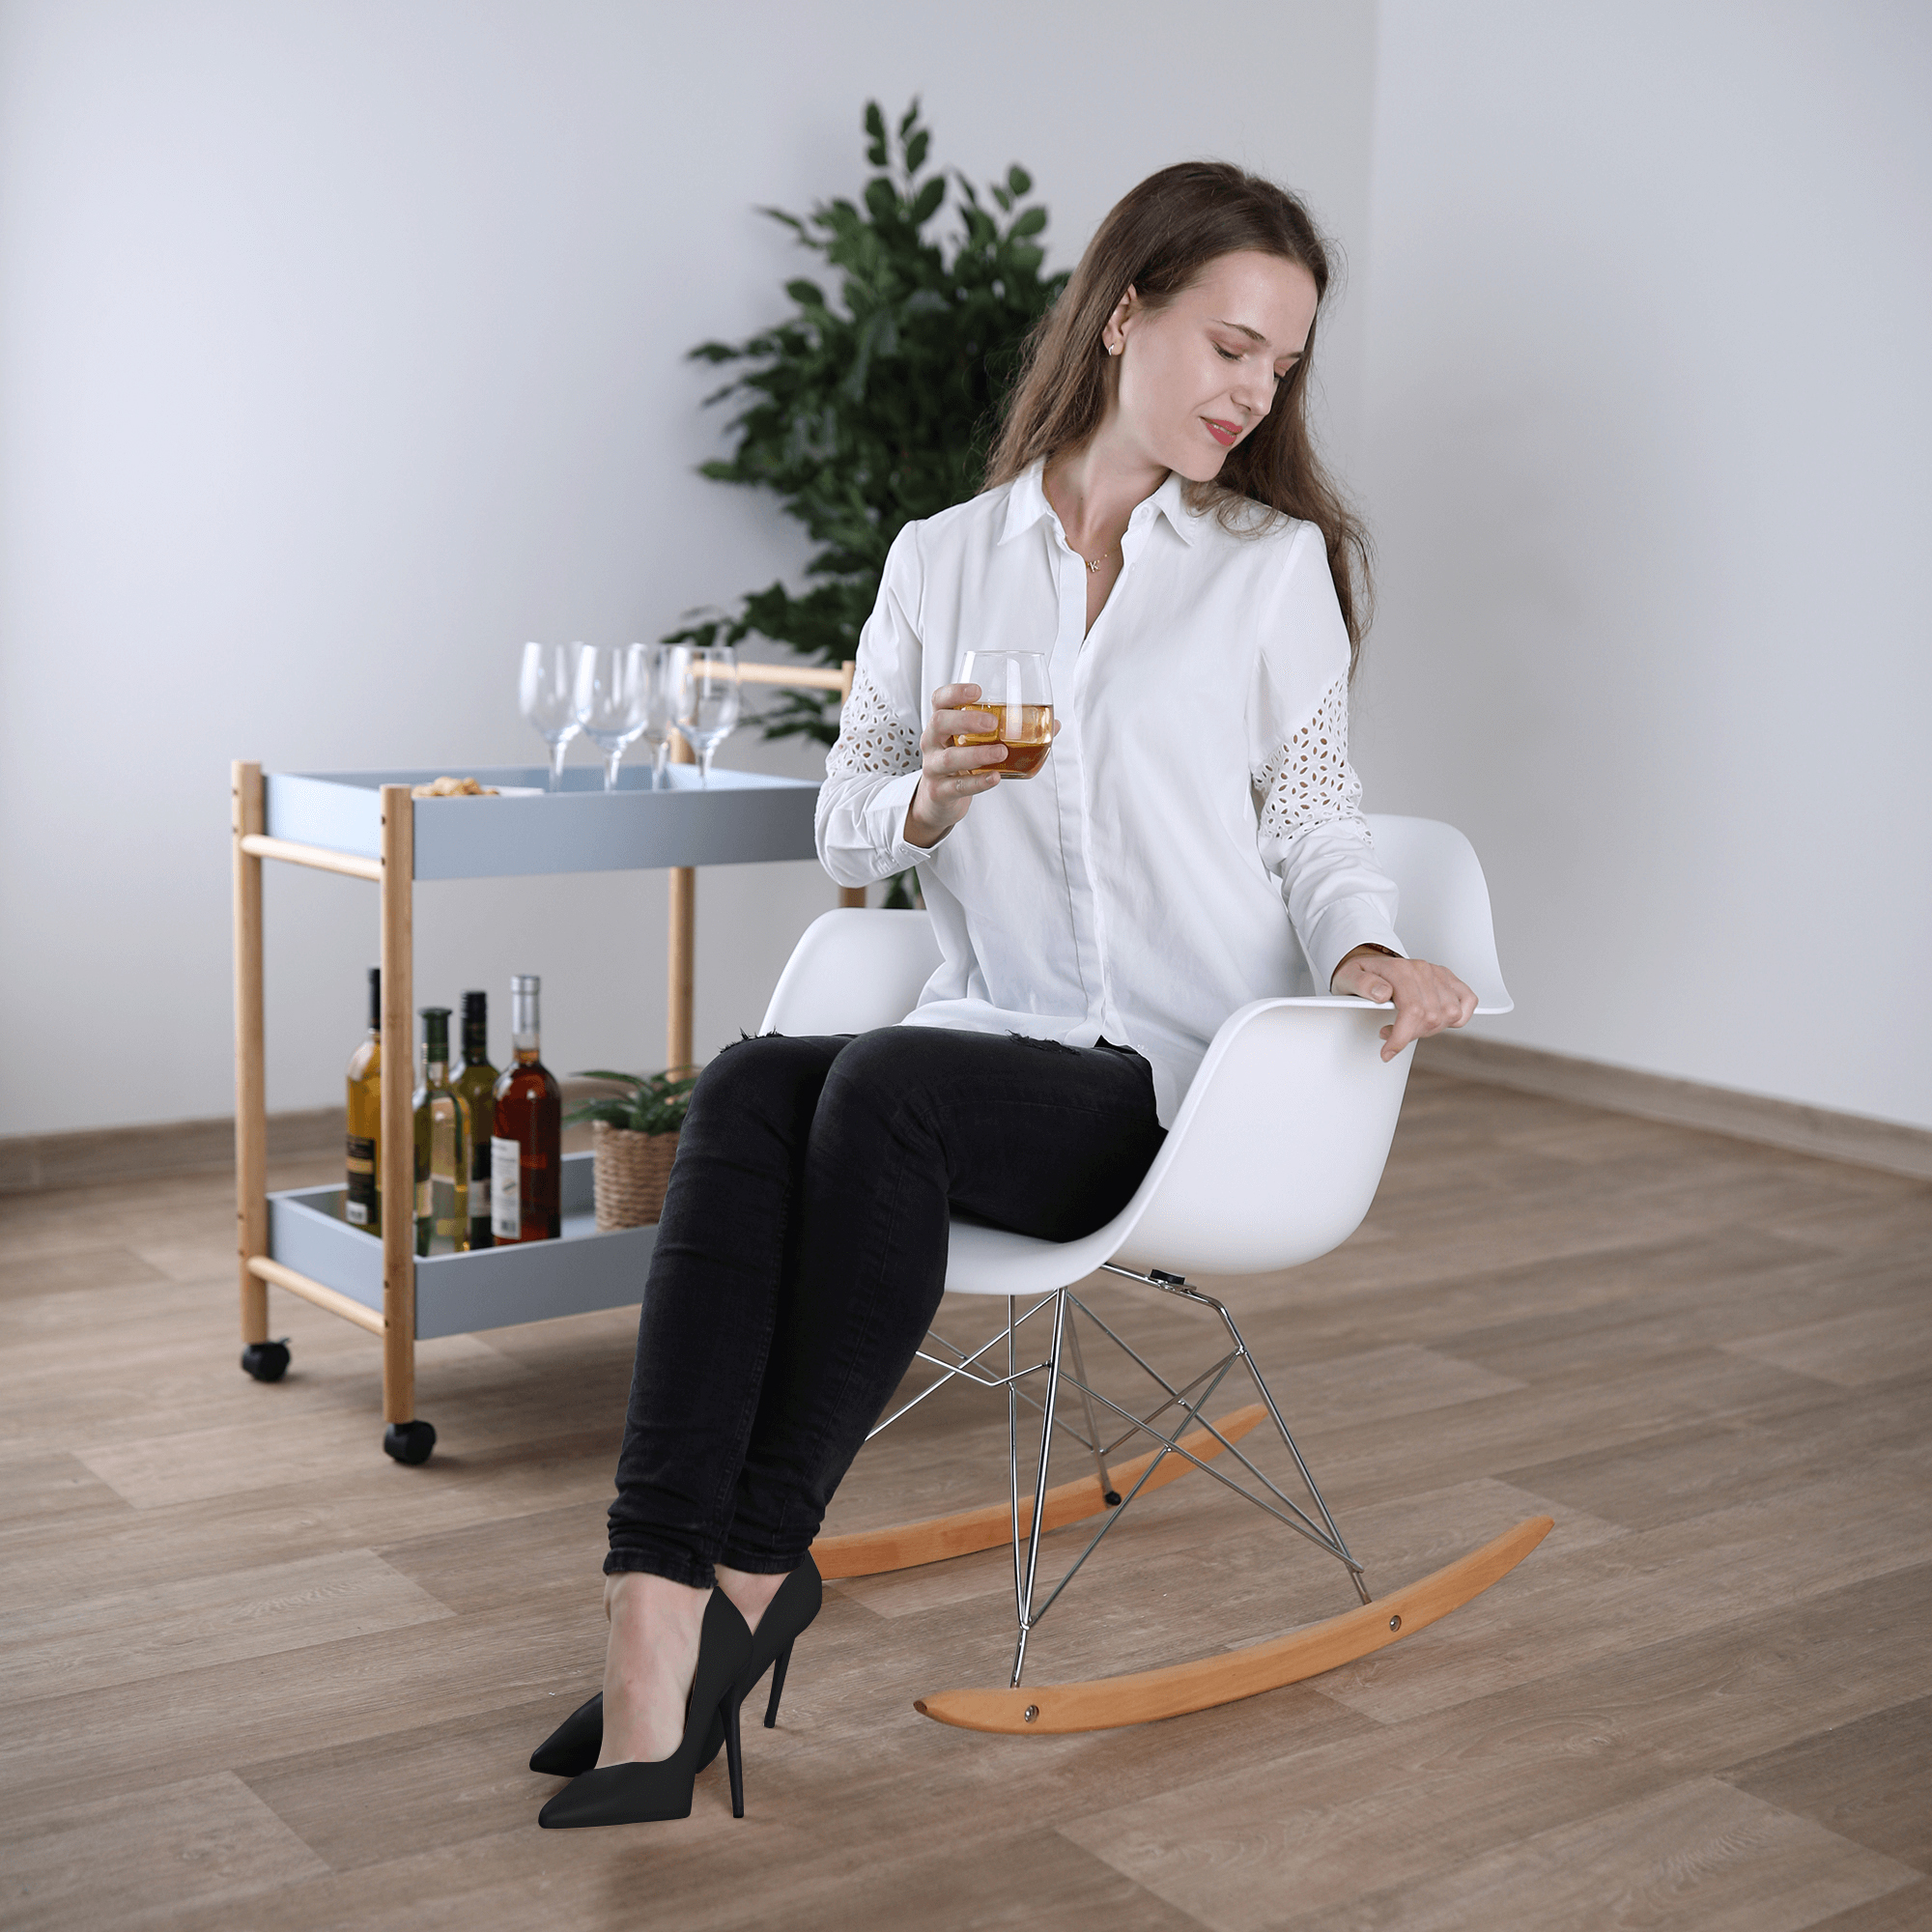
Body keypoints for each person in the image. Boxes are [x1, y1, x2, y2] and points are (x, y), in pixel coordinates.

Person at [532, 159, 1477, 1830]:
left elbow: (1322, 824)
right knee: (751, 1083)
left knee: (881, 1087)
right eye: (1231, 347)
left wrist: (1365, 953)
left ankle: (750, 1568)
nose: (1254, 395)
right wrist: (930, 800)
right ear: (1125, 315)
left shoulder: (1271, 568)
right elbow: (844, 816)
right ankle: (654, 1599)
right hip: (989, 1045)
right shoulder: (940, 560)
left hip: (1171, 1083)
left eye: (1281, 367)